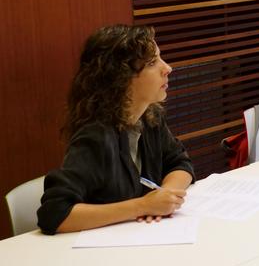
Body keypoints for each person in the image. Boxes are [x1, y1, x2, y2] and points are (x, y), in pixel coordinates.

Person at [37, 25, 194, 234]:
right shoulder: (95, 136)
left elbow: (180, 163)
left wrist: (165, 195)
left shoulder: (149, 118)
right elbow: (55, 213)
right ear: (121, 78)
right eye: (152, 63)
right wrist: (143, 206)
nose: (167, 68)